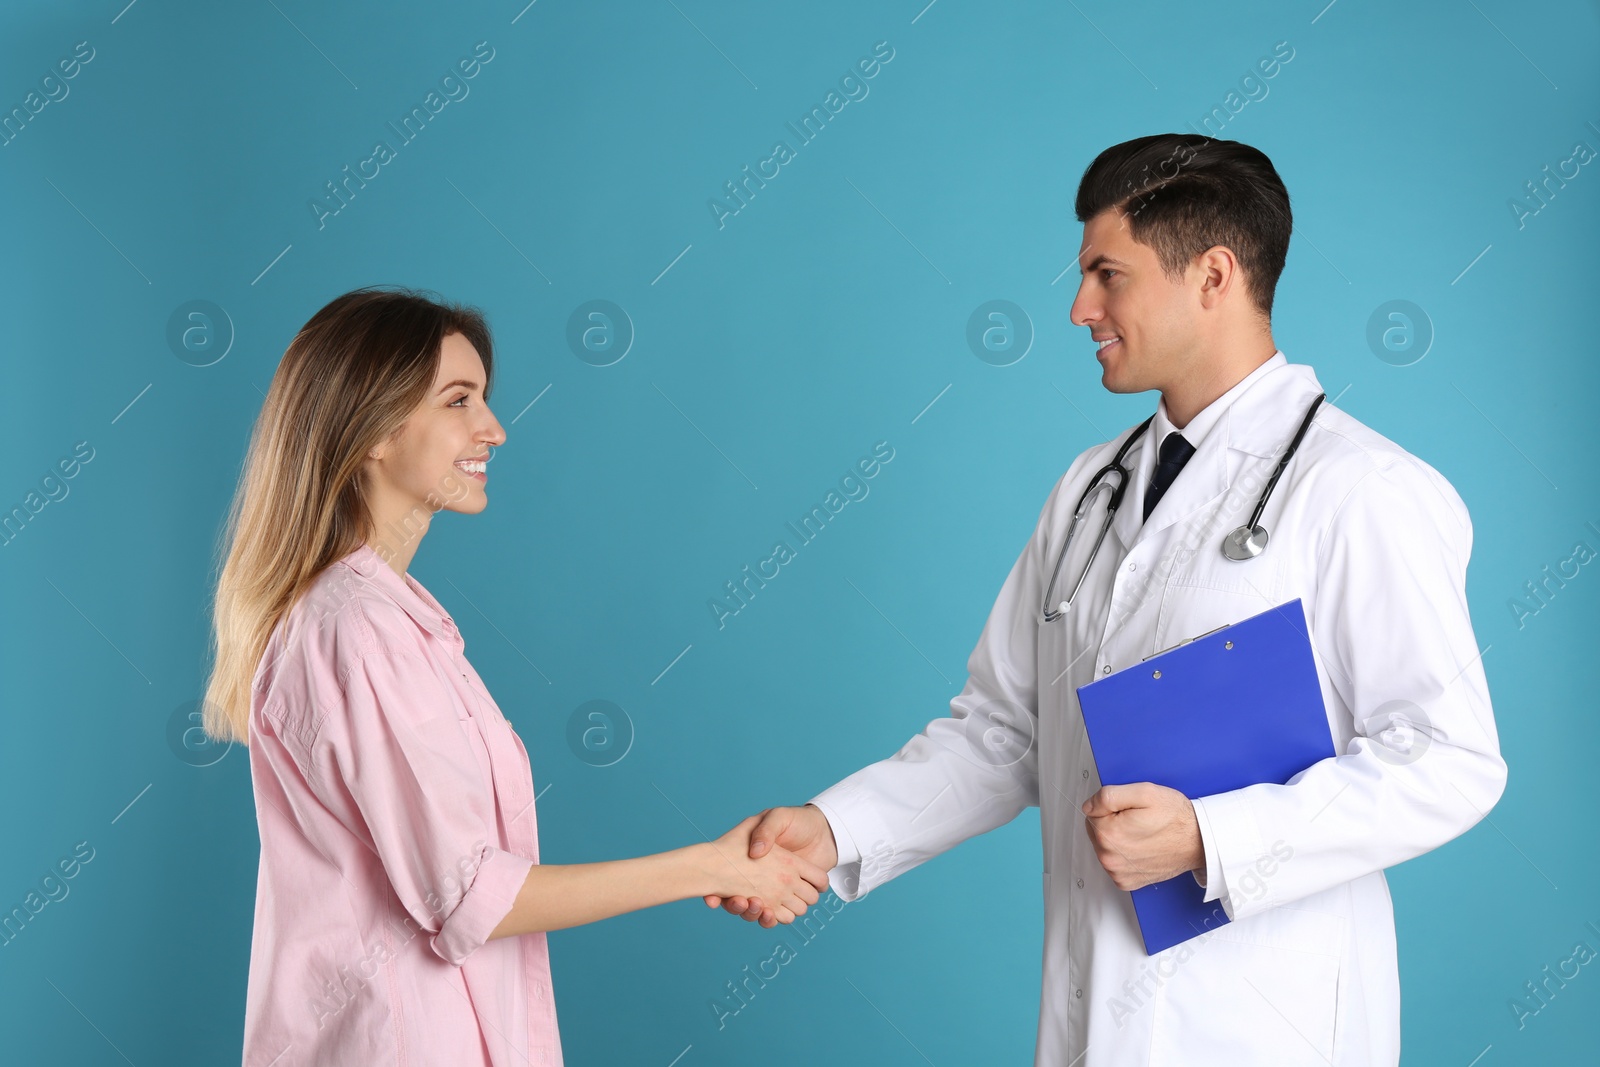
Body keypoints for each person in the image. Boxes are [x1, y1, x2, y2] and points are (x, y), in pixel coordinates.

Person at [705, 134, 1508, 1066]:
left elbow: (1448, 759)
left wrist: (1212, 836)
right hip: (1093, 1016)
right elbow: (1004, 731)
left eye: (1106, 274)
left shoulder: (1363, 488)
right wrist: (839, 828)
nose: (1080, 306)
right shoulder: (1090, 488)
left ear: (1213, 275)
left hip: (1268, 1024)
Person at [202, 287, 827, 1067]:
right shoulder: (355, 630)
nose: (493, 428)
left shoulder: (390, 623)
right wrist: (717, 864)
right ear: (371, 429)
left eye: (484, 400)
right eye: (459, 401)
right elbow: (470, 895)